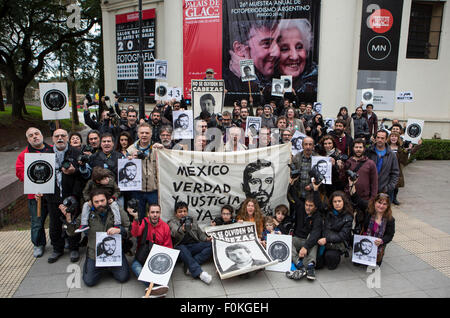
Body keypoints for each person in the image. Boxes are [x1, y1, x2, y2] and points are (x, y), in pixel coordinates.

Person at [63, 188, 131, 287]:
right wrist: (68, 219)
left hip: (115, 252)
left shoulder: (117, 210)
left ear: (107, 200)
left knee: (123, 277)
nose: (100, 204)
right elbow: (71, 232)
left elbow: (130, 228)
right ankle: (93, 265)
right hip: (94, 253)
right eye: (96, 202)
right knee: (89, 282)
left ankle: (110, 267)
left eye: (102, 201)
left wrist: (120, 230)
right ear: (91, 202)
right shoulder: (87, 214)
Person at [46, 129, 85, 263]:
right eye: (57, 136)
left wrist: (75, 172)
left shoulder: (75, 152)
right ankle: (57, 249)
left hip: (71, 195)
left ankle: (74, 248)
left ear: (67, 138)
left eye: (63, 136)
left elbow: (83, 175)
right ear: (52, 139)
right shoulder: (46, 154)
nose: (60, 138)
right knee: (55, 224)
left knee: (72, 222)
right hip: (53, 195)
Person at [15, 127, 54, 258]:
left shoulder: (52, 149)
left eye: (37, 133)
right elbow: (20, 173)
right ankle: (38, 244)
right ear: (28, 139)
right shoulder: (23, 155)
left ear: (42, 135)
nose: (35, 137)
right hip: (35, 195)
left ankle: (59, 240)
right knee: (37, 222)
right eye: (31, 135)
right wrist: (36, 183)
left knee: (56, 219)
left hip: (53, 193)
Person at [128, 204, 172, 297]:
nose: (155, 215)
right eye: (152, 212)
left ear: (160, 213)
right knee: (135, 266)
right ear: (148, 214)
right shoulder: (144, 222)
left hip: (158, 259)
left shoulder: (165, 227)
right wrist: (136, 219)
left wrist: (161, 262)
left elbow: (168, 247)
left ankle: (153, 290)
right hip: (143, 256)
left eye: (157, 212)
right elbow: (135, 233)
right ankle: (158, 288)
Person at [168, 201, 213, 285]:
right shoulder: (172, 222)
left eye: (185, 211)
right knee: (182, 248)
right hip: (180, 249)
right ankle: (199, 273)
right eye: (180, 212)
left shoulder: (192, 220)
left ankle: (189, 265)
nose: (183, 214)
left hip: (193, 246)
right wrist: (183, 229)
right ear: (176, 213)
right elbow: (174, 232)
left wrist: (206, 238)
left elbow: (199, 233)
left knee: (211, 245)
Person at [350, 183, 395, 266]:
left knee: (375, 265)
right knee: (356, 264)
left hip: (377, 245)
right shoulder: (369, 210)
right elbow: (357, 199)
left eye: (384, 204)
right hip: (363, 241)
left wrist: (382, 241)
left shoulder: (390, 220)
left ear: (388, 206)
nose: (381, 206)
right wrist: (352, 184)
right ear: (375, 203)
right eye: (379, 202)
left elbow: (390, 235)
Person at [286, 183, 322, 281]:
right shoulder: (301, 207)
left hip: (308, 240)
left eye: (311, 206)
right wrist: (292, 183)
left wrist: (305, 247)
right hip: (298, 238)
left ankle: (310, 267)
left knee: (314, 238)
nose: (308, 207)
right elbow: (291, 196)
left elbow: (315, 233)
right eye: (306, 205)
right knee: (288, 241)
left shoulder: (318, 216)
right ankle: (299, 264)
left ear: (315, 207)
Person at [275, 19, 317, 98]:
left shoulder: (315, 83)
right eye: (284, 49)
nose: (294, 56)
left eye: (299, 47)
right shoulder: (263, 85)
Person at [127, 123, 160, 220]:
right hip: (137, 190)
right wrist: (129, 160)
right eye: (142, 133)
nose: (144, 135)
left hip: (153, 189)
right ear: (138, 134)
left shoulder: (157, 149)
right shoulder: (130, 150)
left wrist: (164, 149)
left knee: (154, 217)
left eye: (147, 133)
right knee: (138, 217)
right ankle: (140, 235)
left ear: (151, 134)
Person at [76, 166, 121, 233]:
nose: (107, 179)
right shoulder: (90, 183)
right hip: (94, 202)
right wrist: (88, 200)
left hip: (108, 200)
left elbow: (117, 191)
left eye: (107, 177)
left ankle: (117, 223)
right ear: (98, 181)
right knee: (86, 205)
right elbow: (85, 192)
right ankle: (84, 224)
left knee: (115, 205)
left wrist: (113, 198)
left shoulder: (111, 181)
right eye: (104, 178)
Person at [317, 191, 354, 270]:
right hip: (325, 240)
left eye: (339, 201)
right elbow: (319, 205)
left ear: (344, 202)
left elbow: (342, 236)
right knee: (318, 264)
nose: (337, 203)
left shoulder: (348, 217)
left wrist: (327, 239)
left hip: (337, 243)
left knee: (331, 261)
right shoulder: (328, 211)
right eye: (335, 201)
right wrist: (316, 190)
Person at [366, 130, 400, 202]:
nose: (379, 140)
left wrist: (389, 187)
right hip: (369, 190)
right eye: (378, 137)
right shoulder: (368, 152)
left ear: (386, 139)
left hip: (385, 191)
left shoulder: (391, 155)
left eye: (382, 138)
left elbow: (395, 173)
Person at [290, 136, 317, 202]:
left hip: (311, 194)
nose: (308, 147)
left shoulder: (317, 158)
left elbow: (321, 176)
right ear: (302, 146)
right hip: (298, 193)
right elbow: (291, 172)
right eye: (306, 144)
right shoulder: (296, 157)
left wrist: (312, 185)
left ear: (313, 146)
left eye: (310, 144)